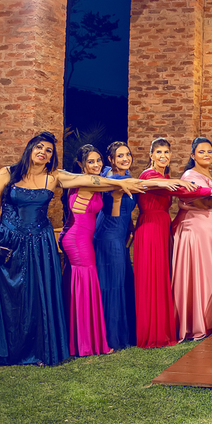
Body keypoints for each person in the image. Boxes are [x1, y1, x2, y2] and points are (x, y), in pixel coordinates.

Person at [0, 132, 147, 367]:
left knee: (38, 295)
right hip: (9, 241)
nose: (43, 152)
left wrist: (119, 183)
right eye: (39, 147)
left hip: (40, 242)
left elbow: (88, 180)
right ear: (29, 148)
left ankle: (38, 351)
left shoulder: (54, 176)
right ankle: (8, 352)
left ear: (51, 157)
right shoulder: (7, 174)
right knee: (9, 294)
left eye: (48, 150)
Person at [135, 138, 210, 348]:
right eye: (158, 152)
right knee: (151, 277)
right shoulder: (149, 175)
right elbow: (180, 190)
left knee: (161, 276)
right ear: (151, 155)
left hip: (162, 226)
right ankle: (151, 332)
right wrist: (211, 191)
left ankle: (163, 327)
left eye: (166, 152)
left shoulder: (165, 177)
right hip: (150, 227)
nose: (163, 156)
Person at [171, 138, 212, 342]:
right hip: (198, 229)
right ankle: (200, 322)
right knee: (203, 273)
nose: (206, 155)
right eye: (201, 152)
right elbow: (206, 203)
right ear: (193, 155)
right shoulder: (190, 176)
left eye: (209, 151)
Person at [59, 145, 113, 357]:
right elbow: (114, 184)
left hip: (77, 237)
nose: (97, 164)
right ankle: (85, 343)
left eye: (99, 160)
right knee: (85, 285)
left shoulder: (86, 181)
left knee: (82, 285)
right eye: (91, 161)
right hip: (78, 239)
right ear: (81, 165)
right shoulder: (86, 181)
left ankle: (80, 340)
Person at [93, 141, 138, 350]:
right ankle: (110, 336)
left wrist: (131, 227)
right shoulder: (112, 179)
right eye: (120, 156)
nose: (125, 159)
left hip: (120, 235)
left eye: (127, 154)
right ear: (111, 160)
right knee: (111, 283)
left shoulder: (127, 177)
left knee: (121, 280)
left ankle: (123, 332)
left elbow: (127, 211)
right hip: (108, 235)